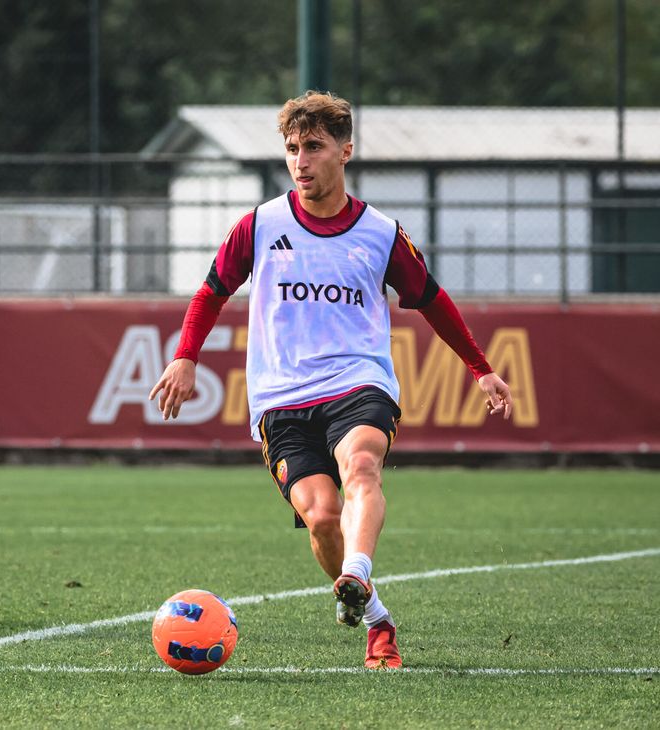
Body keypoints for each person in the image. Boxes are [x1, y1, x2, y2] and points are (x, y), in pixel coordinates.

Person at [149, 91, 512, 669]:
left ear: (345, 150)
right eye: (292, 149)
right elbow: (211, 291)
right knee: (320, 516)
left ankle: (357, 573)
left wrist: (482, 368)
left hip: (358, 382)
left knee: (361, 467)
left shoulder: (380, 233)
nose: (301, 161)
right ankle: (377, 620)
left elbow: (432, 300)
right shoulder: (261, 225)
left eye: (313, 148)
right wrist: (185, 355)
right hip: (280, 398)